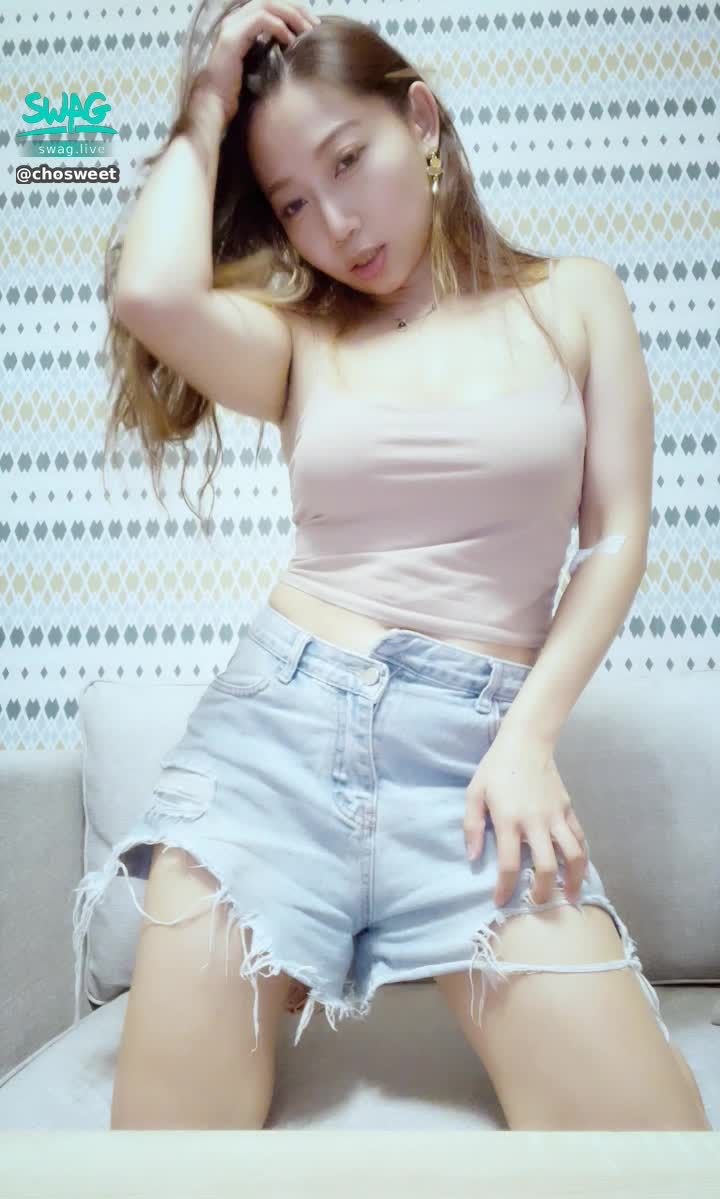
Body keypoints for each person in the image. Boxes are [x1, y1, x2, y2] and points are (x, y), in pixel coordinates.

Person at [72, 1, 710, 1131]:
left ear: (419, 119)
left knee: (653, 1159)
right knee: (166, 1184)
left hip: (476, 771)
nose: (334, 225)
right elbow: (151, 294)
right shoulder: (300, 339)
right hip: (268, 752)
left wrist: (526, 739)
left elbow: (614, 535)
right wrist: (207, 100)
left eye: (346, 161)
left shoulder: (573, 299)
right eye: (291, 203)